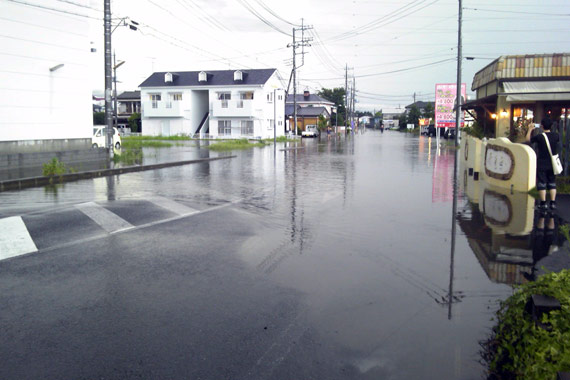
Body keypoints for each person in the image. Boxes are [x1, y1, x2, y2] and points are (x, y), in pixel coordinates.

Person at [526, 117, 559, 210]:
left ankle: (543, 203)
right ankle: (553, 203)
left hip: (542, 163)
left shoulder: (540, 137)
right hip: (552, 163)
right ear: (551, 126)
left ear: (541, 126)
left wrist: (530, 129)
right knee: (552, 182)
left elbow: (528, 140)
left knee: (542, 183)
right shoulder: (556, 136)